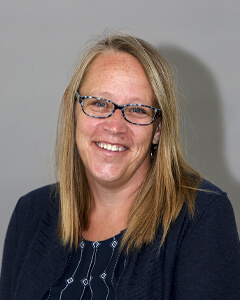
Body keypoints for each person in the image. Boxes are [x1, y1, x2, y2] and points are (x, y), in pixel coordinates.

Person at [0, 32, 240, 300]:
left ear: (158, 129)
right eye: (99, 103)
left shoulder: (200, 218)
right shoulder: (29, 215)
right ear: (72, 109)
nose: (115, 127)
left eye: (137, 110)